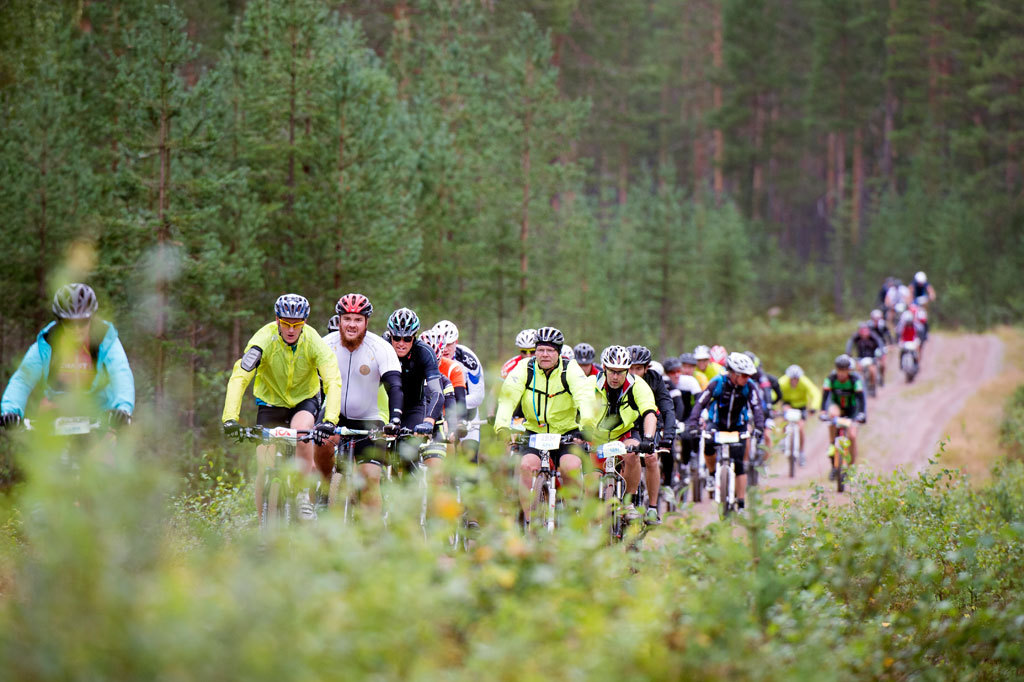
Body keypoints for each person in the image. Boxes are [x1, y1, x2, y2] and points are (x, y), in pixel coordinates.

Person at [222, 294, 342, 521]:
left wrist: (330, 420)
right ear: (277, 319)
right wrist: (230, 418)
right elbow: (240, 376)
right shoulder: (263, 339)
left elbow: (332, 380)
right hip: (270, 403)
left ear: (304, 322)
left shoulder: (313, 340)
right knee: (263, 462)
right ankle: (262, 526)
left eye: (297, 324)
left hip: (304, 400)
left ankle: (303, 497)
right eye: (285, 323)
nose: (290, 329)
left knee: (303, 431)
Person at [494, 326, 596, 528]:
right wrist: (502, 427)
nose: (544, 354)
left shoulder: (570, 370)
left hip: (566, 433)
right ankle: (530, 522)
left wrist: (587, 425)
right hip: (535, 432)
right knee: (525, 466)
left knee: (571, 467)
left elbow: (585, 398)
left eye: (550, 350)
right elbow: (508, 397)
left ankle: (574, 514)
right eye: (540, 350)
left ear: (558, 352)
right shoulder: (525, 368)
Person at [1, 283, 135, 431]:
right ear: (60, 320)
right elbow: (22, 380)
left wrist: (123, 408)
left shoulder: (105, 340)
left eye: (83, 322)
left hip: (98, 418)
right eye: (69, 323)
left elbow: (121, 372)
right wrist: (10, 411)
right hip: (57, 415)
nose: (77, 329)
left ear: (91, 318)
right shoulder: (48, 343)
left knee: (107, 448)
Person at [312, 294, 403, 509]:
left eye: (358, 320)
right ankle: (325, 492)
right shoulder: (325, 345)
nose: (352, 325)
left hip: (369, 419)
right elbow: (309, 383)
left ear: (366, 322)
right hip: (334, 416)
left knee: (370, 479)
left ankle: (371, 539)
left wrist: (396, 418)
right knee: (321, 444)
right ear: (340, 319)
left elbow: (395, 386)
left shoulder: (380, 347)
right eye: (347, 319)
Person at [588, 345, 660, 524]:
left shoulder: (637, 384)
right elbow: (579, 410)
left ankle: (628, 503)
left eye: (620, 372)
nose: (615, 376)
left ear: (627, 371)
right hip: (596, 437)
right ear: (603, 367)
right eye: (612, 371)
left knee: (632, 454)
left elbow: (649, 412)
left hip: (624, 434)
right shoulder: (590, 384)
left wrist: (649, 439)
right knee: (591, 484)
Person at [685, 352, 764, 511]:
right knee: (708, 444)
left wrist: (760, 427)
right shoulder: (718, 383)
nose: (747, 378)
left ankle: (741, 504)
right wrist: (693, 424)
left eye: (749, 375)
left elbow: (756, 408)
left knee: (740, 463)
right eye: (744, 375)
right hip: (717, 423)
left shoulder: (749, 386)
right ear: (733, 373)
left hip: (738, 425)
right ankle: (713, 474)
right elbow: (700, 404)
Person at [384, 308, 445, 468]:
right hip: (383, 408)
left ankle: (411, 487)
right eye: (396, 338)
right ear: (390, 335)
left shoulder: (424, 352)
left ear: (414, 337)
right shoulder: (381, 347)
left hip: (413, 408)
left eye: (407, 338)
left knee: (406, 454)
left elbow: (437, 392)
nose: (401, 343)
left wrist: (429, 422)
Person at [434, 320, 486, 461]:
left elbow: (478, 396)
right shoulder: (429, 357)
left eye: (449, 344)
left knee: (469, 457)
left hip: (467, 411)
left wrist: (450, 402)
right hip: (439, 412)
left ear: (456, 342)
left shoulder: (468, 359)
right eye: (441, 344)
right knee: (445, 458)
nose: (445, 349)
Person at [819, 354, 867, 478]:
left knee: (852, 436)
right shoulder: (831, 378)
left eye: (844, 370)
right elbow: (825, 396)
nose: (841, 373)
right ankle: (832, 445)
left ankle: (850, 466)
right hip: (837, 407)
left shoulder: (854, 380)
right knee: (832, 416)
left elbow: (861, 399)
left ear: (848, 370)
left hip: (852, 410)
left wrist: (862, 414)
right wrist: (823, 412)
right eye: (839, 370)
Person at [661, 355, 702, 493]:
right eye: (673, 372)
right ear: (667, 374)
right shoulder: (662, 383)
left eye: (679, 371)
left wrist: (698, 418)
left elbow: (699, 401)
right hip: (667, 418)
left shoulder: (689, 381)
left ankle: (687, 462)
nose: (677, 374)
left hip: (686, 417)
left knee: (688, 436)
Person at [628, 345, 676, 454]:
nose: (634, 373)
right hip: (629, 426)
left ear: (646, 368)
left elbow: (667, 407)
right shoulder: (620, 379)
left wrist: (668, 436)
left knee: (651, 458)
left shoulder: (655, 379)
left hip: (651, 423)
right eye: (630, 368)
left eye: (638, 368)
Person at [778, 365, 821, 466]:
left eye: (796, 379)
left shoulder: (804, 382)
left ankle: (801, 452)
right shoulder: (782, 382)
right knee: (785, 417)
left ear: (799, 378)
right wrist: (771, 404)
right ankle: (783, 439)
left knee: (801, 427)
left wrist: (814, 407)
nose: (794, 381)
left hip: (801, 406)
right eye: (792, 379)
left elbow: (815, 393)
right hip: (788, 403)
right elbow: (773, 392)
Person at [844, 322, 885, 392]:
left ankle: (873, 385)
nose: (864, 335)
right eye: (862, 332)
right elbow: (850, 343)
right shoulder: (856, 337)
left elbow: (879, 342)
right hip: (860, 358)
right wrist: (848, 353)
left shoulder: (873, 336)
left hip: (872, 357)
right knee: (859, 372)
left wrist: (881, 352)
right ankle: (860, 387)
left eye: (865, 332)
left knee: (873, 371)